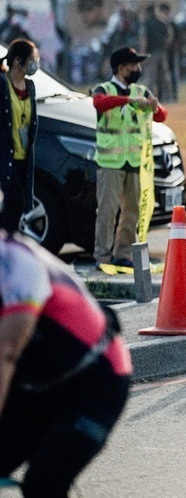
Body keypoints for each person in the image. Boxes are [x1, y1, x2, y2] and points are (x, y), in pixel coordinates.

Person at [0, 204, 132, 495]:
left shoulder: (15, 263)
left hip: (96, 379)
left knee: (44, 484)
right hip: (41, 379)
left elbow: (6, 352)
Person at [92, 47, 167, 269]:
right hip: (110, 162)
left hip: (135, 161)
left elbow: (161, 116)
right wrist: (127, 101)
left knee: (132, 211)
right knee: (107, 211)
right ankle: (102, 256)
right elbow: (99, 103)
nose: (138, 69)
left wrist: (154, 106)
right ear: (121, 67)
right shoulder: (103, 89)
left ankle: (123, 253)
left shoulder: (141, 91)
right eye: (133, 65)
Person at [0, 40, 39, 232]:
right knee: (8, 209)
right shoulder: (2, 84)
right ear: (17, 61)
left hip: (24, 159)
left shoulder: (29, 86)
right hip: (5, 159)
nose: (35, 63)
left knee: (17, 209)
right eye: (32, 59)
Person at [141, 3, 174, 103]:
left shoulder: (146, 24)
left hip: (151, 53)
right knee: (164, 77)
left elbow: (144, 40)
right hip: (162, 52)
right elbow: (169, 37)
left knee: (150, 77)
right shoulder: (162, 23)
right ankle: (167, 97)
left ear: (147, 12)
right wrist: (164, 46)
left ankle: (148, 97)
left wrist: (142, 54)